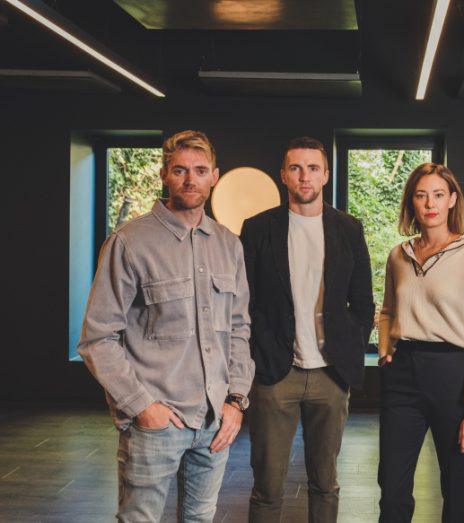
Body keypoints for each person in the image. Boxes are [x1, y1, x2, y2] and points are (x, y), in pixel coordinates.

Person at [78, 130, 254, 522]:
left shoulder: (229, 244)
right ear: (164, 175)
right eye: (180, 170)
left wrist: (236, 400)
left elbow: (239, 329)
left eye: (200, 170)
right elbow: (97, 338)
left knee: (201, 518)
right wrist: (143, 407)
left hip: (214, 422)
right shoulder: (129, 242)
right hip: (156, 423)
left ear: (215, 176)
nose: (190, 179)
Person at [240, 136, 374, 522]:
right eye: (295, 168)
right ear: (283, 175)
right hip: (275, 373)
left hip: (330, 375)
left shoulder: (349, 228)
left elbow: (363, 302)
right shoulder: (257, 228)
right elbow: (245, 302)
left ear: (326, 175)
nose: (304, 176)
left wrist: (348, 347)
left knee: (326, 483)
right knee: (266, 486)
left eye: (313, 168)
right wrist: (258, 352)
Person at [377, 163, 464, 523]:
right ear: (411, 202)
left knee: (458, 483)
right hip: (402, 375)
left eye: (438, 194)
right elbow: (386, 310)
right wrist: (385, 350)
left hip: (452, 375)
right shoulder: (399, 255)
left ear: (452, 200)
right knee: (392, 484)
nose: (430, 202)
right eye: (421, 194)